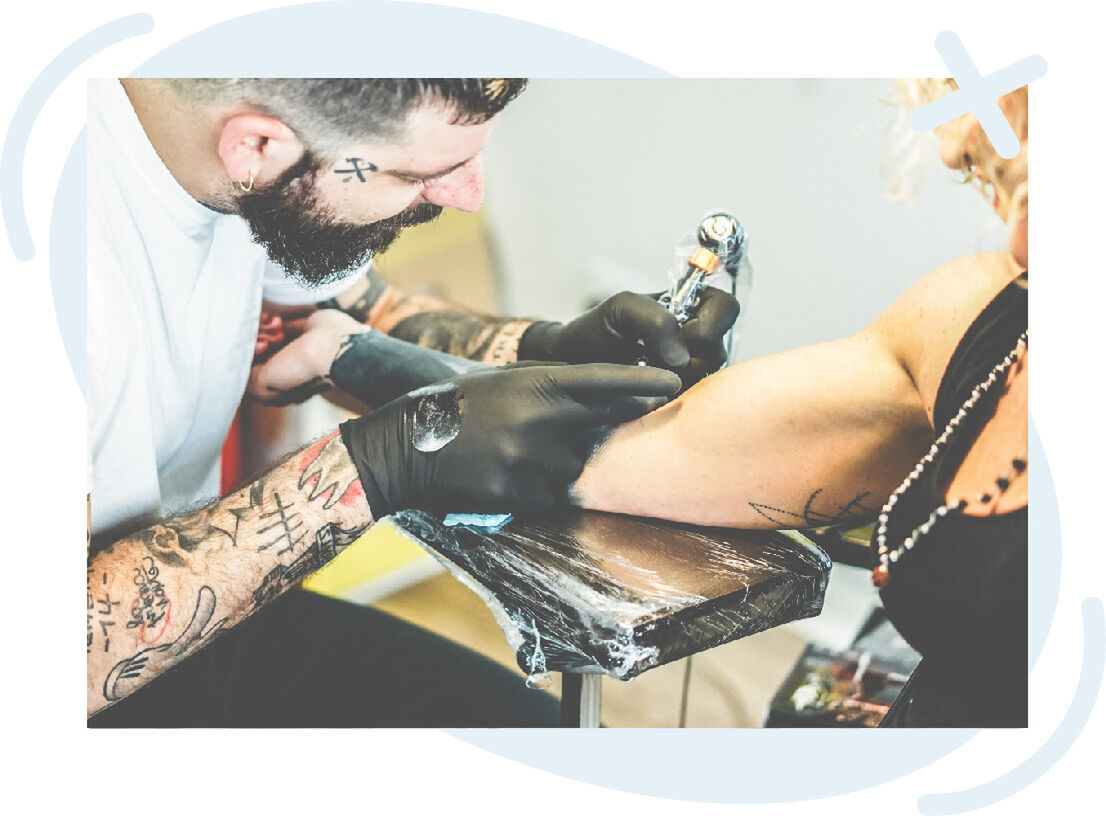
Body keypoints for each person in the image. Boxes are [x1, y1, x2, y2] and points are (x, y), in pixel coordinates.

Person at [86, 77, 738, 725]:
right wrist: (375, 466)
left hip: (212, 629)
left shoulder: (248, 162)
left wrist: (545, 347)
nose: (469, 196)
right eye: (418, 174)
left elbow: (362, 308)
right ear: (255, 145)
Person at [571, 79, 1029, 727]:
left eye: (1001, 93)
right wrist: (491, 382)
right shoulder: (980, 314)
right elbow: (642, 461)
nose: (953, 147)